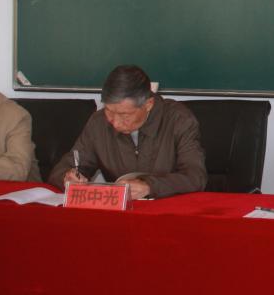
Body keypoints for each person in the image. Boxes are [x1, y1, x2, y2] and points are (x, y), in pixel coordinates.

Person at [48, 65, 206, 200]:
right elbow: (64, 167)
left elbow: (195, 177)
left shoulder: (179, 120)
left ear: (148, 104)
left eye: (124, 115)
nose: (115, 123)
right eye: (109, 111)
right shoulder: (98, 123)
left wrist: (150, 187)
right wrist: (67, 178)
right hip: (120, 214)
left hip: (168, 211)